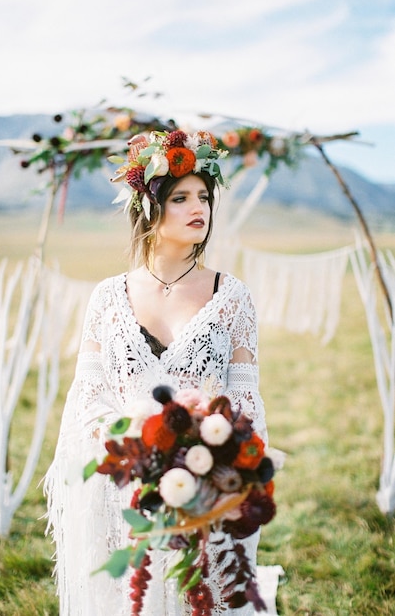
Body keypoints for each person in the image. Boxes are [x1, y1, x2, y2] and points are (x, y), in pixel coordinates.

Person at [44, 129, 268, 615]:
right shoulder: (107, 296)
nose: (199, 208)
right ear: (148, 205)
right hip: (123, 484)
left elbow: (247, 402)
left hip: (205, 483)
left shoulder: (232, 298)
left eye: (204, 197)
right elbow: (89, 394)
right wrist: (134, 453)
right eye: (181, 196)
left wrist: (215, 461)